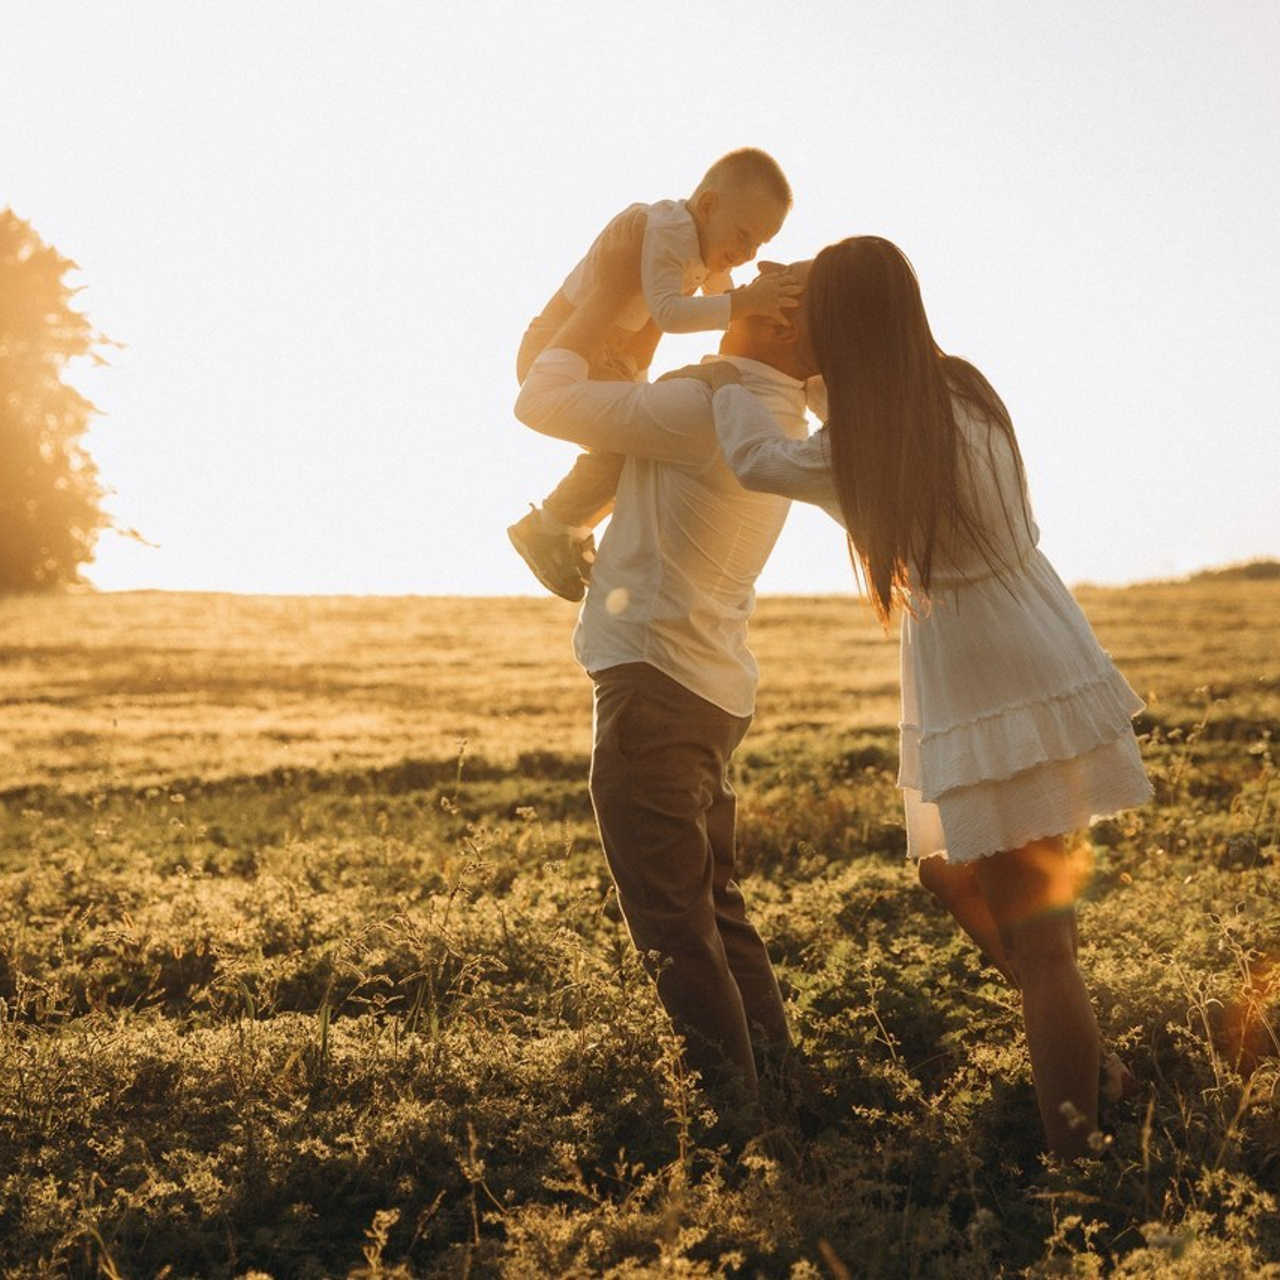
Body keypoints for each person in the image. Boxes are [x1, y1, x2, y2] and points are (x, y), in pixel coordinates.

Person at [684, 235, 1152, 1160]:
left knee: (1045, 943)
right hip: (1033, 641)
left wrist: (736, 358)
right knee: (948, 868)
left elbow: (753, 458)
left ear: (841, 328)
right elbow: (852, 401)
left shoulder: (864, 444)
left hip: (990, 672)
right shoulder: (958, 390)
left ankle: (1078, 1170)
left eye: (809, 308)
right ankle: (1096, 1074)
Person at [514, 216, 818, 1117]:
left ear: (788, 322)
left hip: (655, 688)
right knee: (716, 912)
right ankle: (784, 1102)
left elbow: (538, 399)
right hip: (707, 689)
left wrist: (609, 291)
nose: (762, 264)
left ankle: (739, 1130)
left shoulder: (704, 407)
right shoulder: (765, 408)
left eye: (785, 270)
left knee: (676, 930)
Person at [508, 147, 799, 602]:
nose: (746, 253)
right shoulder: (664, 231)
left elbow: (721, 297)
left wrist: (753, 307)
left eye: (758, 245)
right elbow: (669, 314)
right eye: (743, 236)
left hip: (611, 356)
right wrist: (746, 305)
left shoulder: (704, 245)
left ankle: (565, 527)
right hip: (559, 345)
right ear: (706, 206)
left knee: (632, 450)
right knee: (627, 444)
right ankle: (551, 526)